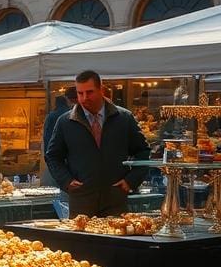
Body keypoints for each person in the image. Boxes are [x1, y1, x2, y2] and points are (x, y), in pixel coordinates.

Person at [45, 69, 150, 217]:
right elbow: (52, 156)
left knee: (115, 240)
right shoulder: (65, 121)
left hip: (114, 199)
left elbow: (143, 152)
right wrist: (66, 181)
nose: (84, 98)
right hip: (81, 200)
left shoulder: (124, 118)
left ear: (101, 89)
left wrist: (131, 181)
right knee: (82, 240)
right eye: (80, 93)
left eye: (89, 92)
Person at [41, 86, 76, 187]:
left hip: (57, 159)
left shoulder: (52, 116)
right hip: (71, 160)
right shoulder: (71, 114)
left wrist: (48, 158)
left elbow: (47, 138)